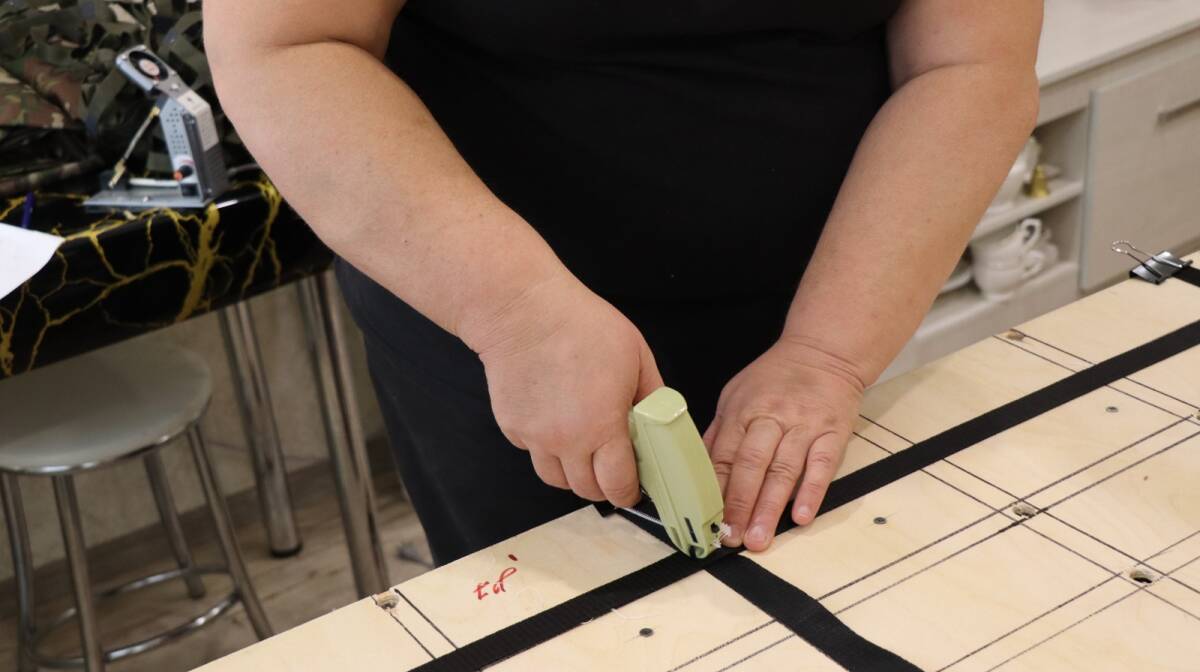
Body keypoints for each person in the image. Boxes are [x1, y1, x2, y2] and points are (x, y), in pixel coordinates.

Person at [205, 2, 1042, 565]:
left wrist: (828, 353)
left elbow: (971, 62)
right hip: (492, 319)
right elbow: (286, 44)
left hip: (826, 295)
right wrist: (518, 313)